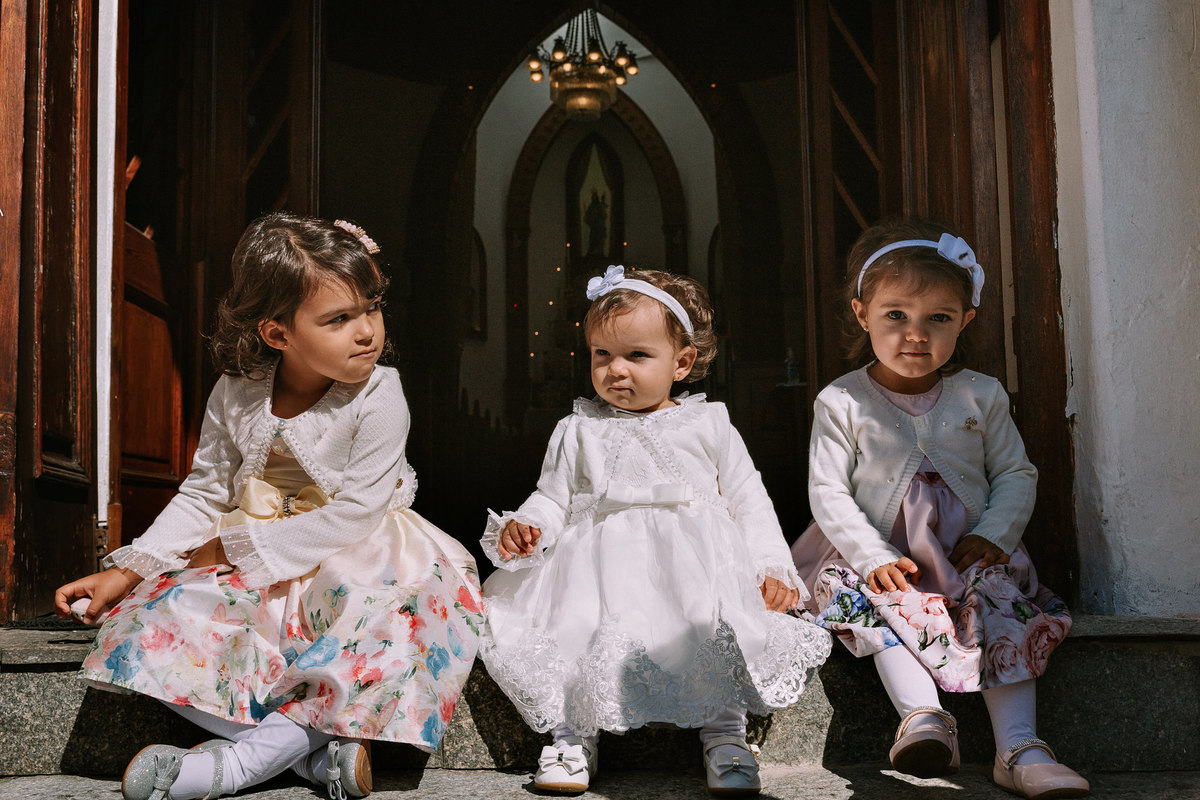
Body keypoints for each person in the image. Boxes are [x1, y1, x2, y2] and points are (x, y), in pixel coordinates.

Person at [55, 213, 483, 800]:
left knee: (389, 618)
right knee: (151, 617)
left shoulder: (381, 392)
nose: (368, 332)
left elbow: (358, 510)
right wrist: (129, 568)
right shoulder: (237, 390)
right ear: (278, 333)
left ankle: (234, 768)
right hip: (259, 550)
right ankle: (307, 755)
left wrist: (237, 548)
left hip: (358, 548)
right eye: (339, 318)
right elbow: (204, 491)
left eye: (372, 307)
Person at [479, 265, 831, 796]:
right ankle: (573, 736)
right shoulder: (578, 428)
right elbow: (552, 495)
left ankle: (725, 735)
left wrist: (771, 565)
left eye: (637, 356)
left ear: (682, 362)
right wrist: (529, 524)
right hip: (596, 562)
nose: (615, 370)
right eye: (602, 355)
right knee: (576, 627)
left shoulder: (709, 424)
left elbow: (747, 498)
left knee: (712, 628)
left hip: (695, 562)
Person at [791, 220, 1088, 799]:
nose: (915, 335)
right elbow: (828, 491)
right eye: (895, 315)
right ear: (862, 314)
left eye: (938, 319)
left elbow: (1014, 472)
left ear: (966, 320)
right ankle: (924, 719)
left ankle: (1020, 747)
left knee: (1001, 607)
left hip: (964, 551)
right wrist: (872, 553)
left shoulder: (982, 393)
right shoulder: (842, 399)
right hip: (874, 554)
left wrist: (996, 533)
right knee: (876, 609)